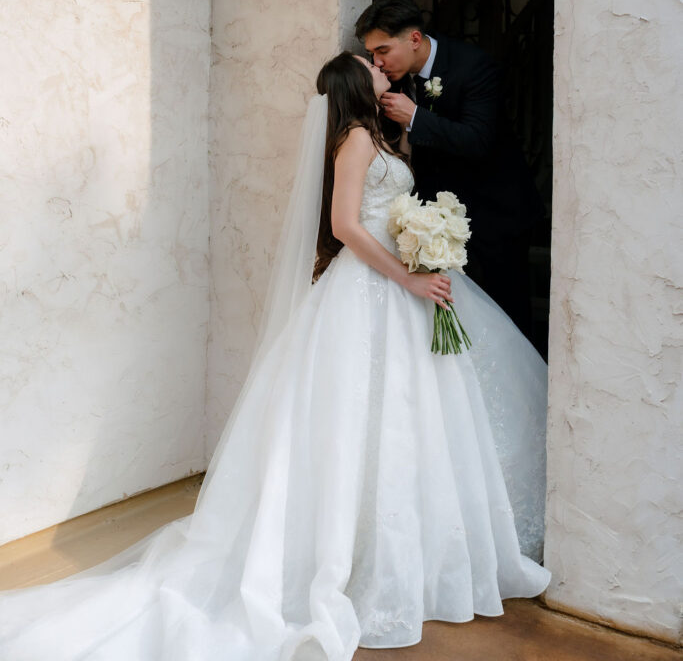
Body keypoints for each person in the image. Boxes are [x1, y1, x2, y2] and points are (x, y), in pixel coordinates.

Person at [0, 52, 550, 661]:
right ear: (354, 83)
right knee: (360, 416)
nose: (379, 67)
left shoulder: (380, 136)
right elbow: (345, 225)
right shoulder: (355, 139)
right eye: (369, 65)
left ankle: (410, 548)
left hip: (398, 282)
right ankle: (351, 552)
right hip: (372, 288)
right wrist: (406, 276)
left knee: (404, 417)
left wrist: (422, 246)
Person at [355, 0, 547, 357]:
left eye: (383, 50)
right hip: (432, 227)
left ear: (414, 39)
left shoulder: (473, 66)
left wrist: (416, 117)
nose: (376, 62)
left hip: (495, 216)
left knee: (507, 321)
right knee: (452, 322)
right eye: (371, 53)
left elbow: (478, 140)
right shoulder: (387, 80)